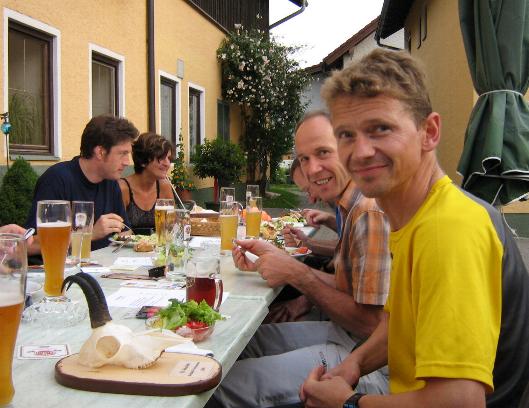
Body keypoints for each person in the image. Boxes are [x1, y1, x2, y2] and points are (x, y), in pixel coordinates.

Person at [300, 49, 529, 408]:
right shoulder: (413, 216)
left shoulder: (447, 229)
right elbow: (399, 325)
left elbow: (461, 401)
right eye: (346, 134)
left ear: (429, 132)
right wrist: (354, 364)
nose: (361, 151)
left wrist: (350, 403)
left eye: (381, 129)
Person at [206, 111, 391, 408]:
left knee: (216, 386)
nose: (313, 169)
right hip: (348, 336)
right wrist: (280, 262)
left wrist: (296, 273)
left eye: (323, 152)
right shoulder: (353, 205)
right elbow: (349, 287)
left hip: (376, 365)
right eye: (304, 158)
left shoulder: (368, 211)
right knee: (240, 343)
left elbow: (371, 325)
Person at [26, 115, 139, 254]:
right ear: (100, 152)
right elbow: (31, 244)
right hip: (58, 266)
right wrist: (90, 234)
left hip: (103, 264)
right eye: (122, 153)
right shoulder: (57, 180)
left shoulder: (110, 181)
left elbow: (126, 231)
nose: (127, 162)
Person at [118, 132, 175, 235]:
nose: (167, 164)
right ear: (143, 161)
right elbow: (117, 231)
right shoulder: (123, 188)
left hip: (159, 244)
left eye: (169, 158)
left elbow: (171, 226)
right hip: (127, 245)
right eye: (161, 158)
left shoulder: (164, 186)